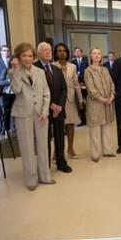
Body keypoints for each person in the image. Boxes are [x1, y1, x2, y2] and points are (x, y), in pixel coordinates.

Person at [8, 43, 54, 190]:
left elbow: (46, 92)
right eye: (24, 56)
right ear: (18, 57)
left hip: (40, 113)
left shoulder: (40, 71)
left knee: (42, 146)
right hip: (23, 113)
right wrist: (15, 71)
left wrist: (45, 111)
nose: (27, 59)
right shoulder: (13, 71)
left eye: (29, 55)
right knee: (27, 147)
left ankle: (45, 176)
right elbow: (16, 90)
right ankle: (31, 180)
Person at [34, 42, 73, 173]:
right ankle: (46, 166)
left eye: (49, 50)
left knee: (60, 137)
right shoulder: (34, 68)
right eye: (45, 50)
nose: (48, 52)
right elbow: (35, 92)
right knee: (45, 138)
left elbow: (64, 88)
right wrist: (51, 106)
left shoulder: (56, 69)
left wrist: (60, 106)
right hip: (43, 110)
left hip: (59, 110)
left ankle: (61, 162)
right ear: (38, 53)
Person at [84, 48, 116, 162]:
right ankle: (95, 154)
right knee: (95, 129)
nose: (97, 55)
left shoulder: (105, 69)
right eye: (94, 53)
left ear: (101, 56)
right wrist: (102, 99)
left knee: (107, 128)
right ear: (91, 56)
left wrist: (112, 96)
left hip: (107, 102)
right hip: (95, 104)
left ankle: (107, 150)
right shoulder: (88, 70)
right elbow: (90, 88)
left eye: (99, 53)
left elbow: (112, 83)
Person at [52, 43, 84, 159]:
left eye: (64, 51)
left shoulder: (72, 66)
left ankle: (70, 149)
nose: (62, 53)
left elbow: (76, 85)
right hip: (58, 100)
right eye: (59, 51)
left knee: (70, 125)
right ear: (55, 53)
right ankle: (57, 151)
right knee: (58, 126)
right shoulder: (52, 66)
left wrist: (80, 100)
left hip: (70, 100)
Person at [0, 45, 16, 136]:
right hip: (3, 90)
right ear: (1, 52)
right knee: (5, 110)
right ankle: (5, 130)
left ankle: (15, 129)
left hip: (15, 90)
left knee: (16, 109)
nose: (6, 52)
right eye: (4, 50)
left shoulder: (13, 61)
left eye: (8, 50)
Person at [71, 46, 88, 126]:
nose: (77, 53)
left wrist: (83, 82)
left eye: (79, 51)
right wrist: (77, 83)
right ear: (74, 53)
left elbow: (87, 74)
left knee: (85, 102)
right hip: (76, 86)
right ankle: (82, 119)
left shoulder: (86, 62)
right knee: (79, 103)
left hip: (84, 86)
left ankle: (87, 118)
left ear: (81, 53)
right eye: (76, 51)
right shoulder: (72, 62)